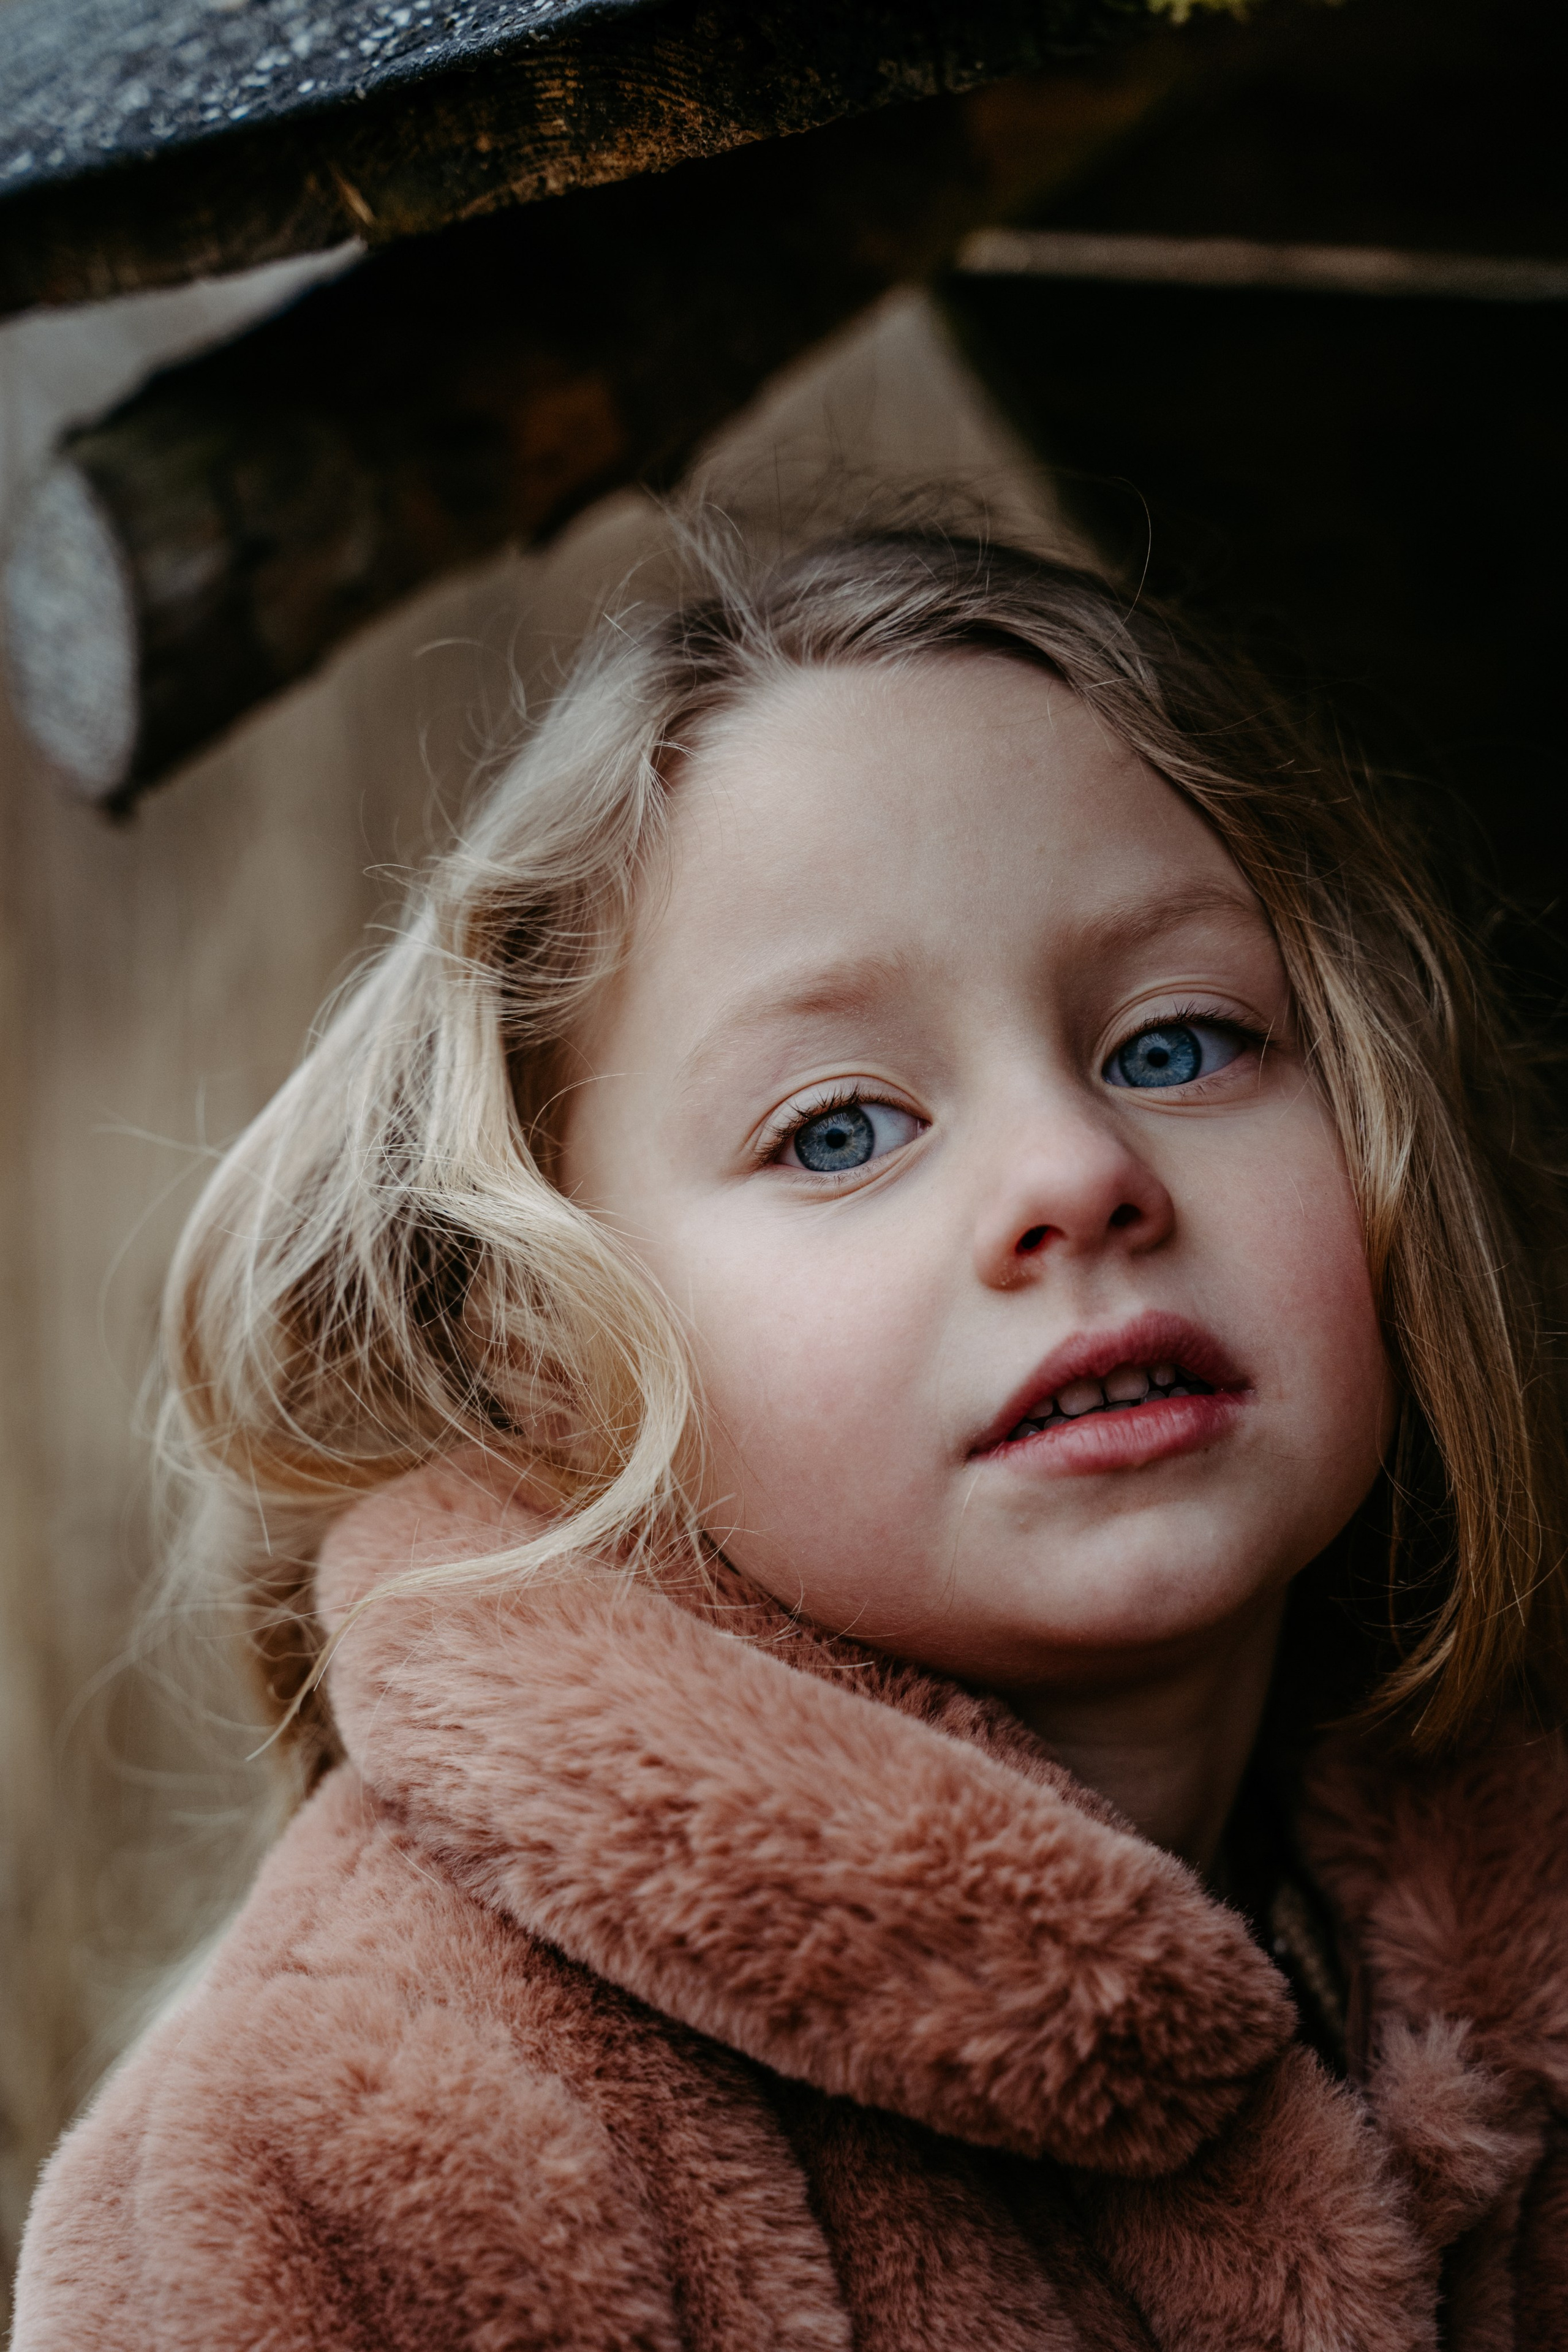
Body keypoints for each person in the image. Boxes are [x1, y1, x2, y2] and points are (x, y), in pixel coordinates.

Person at [14, 529, 1568, 2351]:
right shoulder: (372, 2148)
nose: (1078, 1177)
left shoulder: (1510, 1970)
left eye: (1177, 1045)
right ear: (551, 1341)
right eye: (840, 1131)